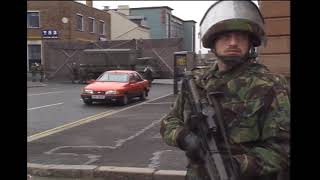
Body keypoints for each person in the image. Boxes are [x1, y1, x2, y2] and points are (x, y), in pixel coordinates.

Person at [160, 1, 290, 180]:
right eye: (226, 37)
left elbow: (283, 147)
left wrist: (239, 165)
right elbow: (169, 121)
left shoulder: (270, 85)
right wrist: (184, 137)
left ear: (250, 43)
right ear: (213, 42)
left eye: (241, 37)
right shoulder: (197, 83)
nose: (233, 42)